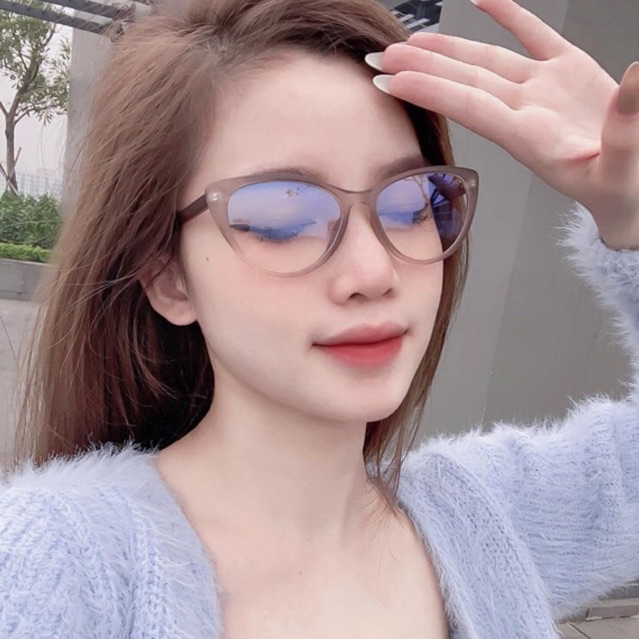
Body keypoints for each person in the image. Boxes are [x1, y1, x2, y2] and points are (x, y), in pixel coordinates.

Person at [1, 0, 638, 636]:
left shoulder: (490, 514)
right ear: (168, 275)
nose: (373, 271)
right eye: (284, 216)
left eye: (411, 204)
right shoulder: (57, 566)